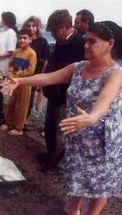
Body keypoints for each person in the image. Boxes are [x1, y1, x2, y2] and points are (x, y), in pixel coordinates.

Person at [2, 21, 122, 215]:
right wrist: (20, 81)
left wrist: (92, 117)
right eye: (85, 40)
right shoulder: (79, 67)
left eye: (92, 42)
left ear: (110, 43)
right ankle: (72, 209)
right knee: (78, 175)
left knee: (100, 183)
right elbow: (48, 77)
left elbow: (104, 101)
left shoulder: (116, 74)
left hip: (103, 140)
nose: (86, 45)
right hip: (77, 132)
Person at [42, 9, 85, 165]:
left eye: (54, 30)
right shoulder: (61, 42)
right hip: (53, 92)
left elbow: (79, 74)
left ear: (66, 27)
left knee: (62, 127)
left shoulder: (80, 44)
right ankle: (50, 153)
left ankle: (58, 161)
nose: (52, 34)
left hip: (65, 95)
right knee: (50, 126)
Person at [0, 29, 37, 136]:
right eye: (20, 38)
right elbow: (11, 65)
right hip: (13, 82)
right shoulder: (16, 52)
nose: (22, 40)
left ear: (30, 40)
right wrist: (10, 74)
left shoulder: (32, 53)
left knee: (22, 105)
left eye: (25, 38)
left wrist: (17, 76)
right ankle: (9, 122)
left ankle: (19, 128)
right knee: (11, 103)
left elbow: (30, 71)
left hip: (25, 83)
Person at [22, 15, 50, 121]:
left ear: (37, 27)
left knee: (29, 98)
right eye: (29, 26)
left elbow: (46, 60)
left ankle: (25, 120)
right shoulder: (23, 40)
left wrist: (42, 76)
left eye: (34, 26)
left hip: (35, 74)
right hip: (22, 73)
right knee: (20, 97)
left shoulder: (43, 42)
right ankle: (18, 118)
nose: (31, 28)